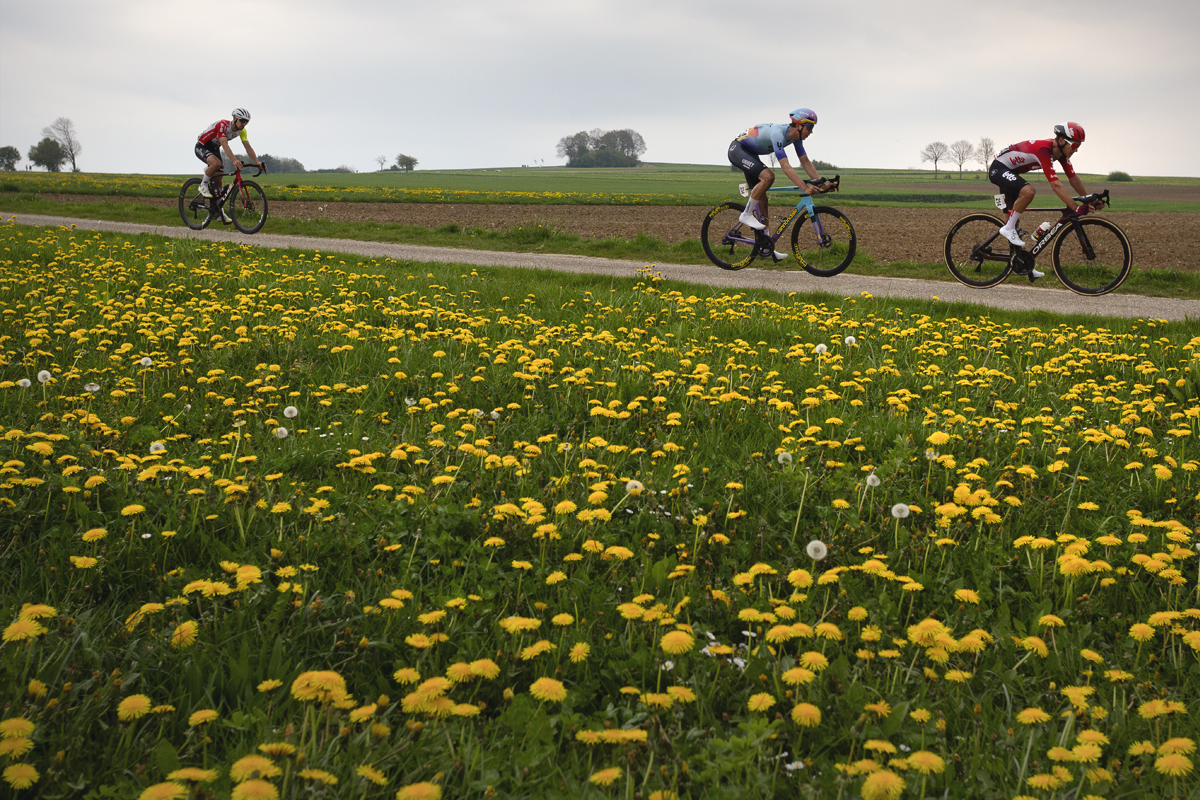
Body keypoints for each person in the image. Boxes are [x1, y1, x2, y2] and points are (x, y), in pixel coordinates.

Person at [989, 123, 1098, 278]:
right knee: (1029, 192)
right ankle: (1008, 230)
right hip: (1000, 168)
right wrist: (1075, 207)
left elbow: (1073, 178)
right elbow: (1055, 185)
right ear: (1061, 141)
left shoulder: (1061, 155)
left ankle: (1021, 263)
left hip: (1011, 172)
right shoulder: (1044, 150)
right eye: (1074, 145)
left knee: (1013, 222)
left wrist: (1088, 200)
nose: (1076, 150)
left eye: (1078, 146)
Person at [727, 109, 825, 261]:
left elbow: (805, 162)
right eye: (810, 128)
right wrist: (804, 188)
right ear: (799, 126)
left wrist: (824, 185)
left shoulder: (796, 138)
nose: (811, 132)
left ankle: (766, 245)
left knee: (763, 199)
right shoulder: (778, 134)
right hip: (738, 149)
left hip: (751, 153)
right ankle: (746, 214)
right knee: (768, 177)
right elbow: (785, 166)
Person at [195, 108, 264, 221]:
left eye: (247, 122)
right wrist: (234, 160)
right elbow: (224, 144)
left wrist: (257, 162)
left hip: (214, 148)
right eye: (242, 120)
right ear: (235, 118)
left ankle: (217, 211)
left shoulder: (242, 131)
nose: (244, 124)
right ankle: (203, 185)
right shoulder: (222, 125)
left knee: (219, 179)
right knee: (216, 163)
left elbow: (248, 147)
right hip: (202, 146)